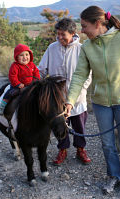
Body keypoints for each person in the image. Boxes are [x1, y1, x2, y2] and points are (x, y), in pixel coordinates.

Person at [66, 6, 120, 196]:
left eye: (85, 26)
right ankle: (114, 176)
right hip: (101, 103)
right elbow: (79, 76)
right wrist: (69, 101)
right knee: (107, 144)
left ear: (98, 23)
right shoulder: (87, 47)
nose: (82, 31)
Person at [38, 18, 92, 165]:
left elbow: (88, 76)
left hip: (78, 99)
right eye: (58, 34)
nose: (60, 37)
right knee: (60, 126)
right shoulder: (52, 48)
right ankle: (63, 150)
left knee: (79, 126)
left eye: (63, 34)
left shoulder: (82, 49)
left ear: (73, 33)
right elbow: (42, 70)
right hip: (57, 100)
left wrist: (79, 93)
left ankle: (81, 149)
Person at [0, 44, 40, 115]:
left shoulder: (32, 65)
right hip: (18, 86)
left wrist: (35, 82)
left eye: (26, 55)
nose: (25, 57)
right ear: (17, 57)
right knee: (10, 93)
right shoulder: (15, 66)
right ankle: (2, 107)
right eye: (21, 55)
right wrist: (18, 84)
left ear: (30, 55)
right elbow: (12, 76)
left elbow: (36, 74)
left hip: (31, 85)